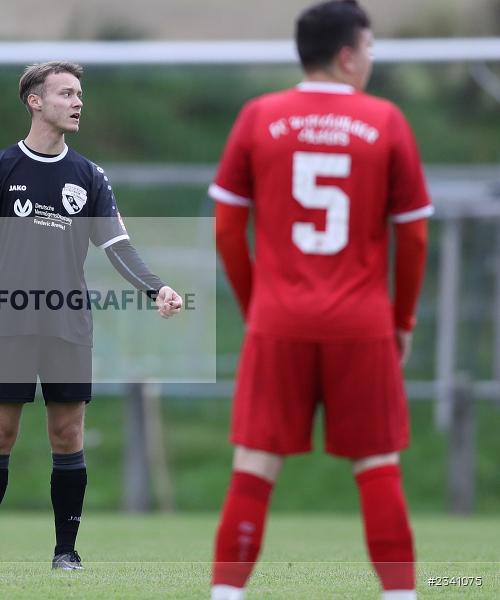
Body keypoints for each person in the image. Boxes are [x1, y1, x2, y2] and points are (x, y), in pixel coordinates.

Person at [0, 61, 183, 571]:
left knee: (68, 435)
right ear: (35, 102)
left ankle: (66, 553)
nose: (78, 102)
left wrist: (157, 287)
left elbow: (118, 246)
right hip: (10, 323)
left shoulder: (89, 176)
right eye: (66, 93)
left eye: (79, 94)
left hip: (68, 324)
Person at [209, 2, 431, 599]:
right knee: (377, 463)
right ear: (347, 56)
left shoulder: (259, 116)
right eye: (370, 49)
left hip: (277, 319)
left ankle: (226, 594)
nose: (372, 60)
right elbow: (413, 236)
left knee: (255, 464)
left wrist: (258, 306)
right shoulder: (386, 120)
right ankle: (400, 594)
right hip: (362, 323)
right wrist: (402, 319)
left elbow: (227, 228)